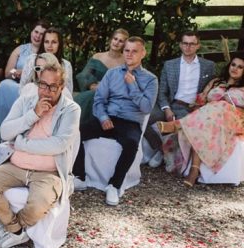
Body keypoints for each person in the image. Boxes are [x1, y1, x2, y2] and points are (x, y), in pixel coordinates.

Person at [0, 56, 80, 248]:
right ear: (37, 82)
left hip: (48, 173)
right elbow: (5, 132)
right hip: (16, 166)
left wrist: (22, 144)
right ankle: (16, 230)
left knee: (38, 205)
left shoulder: (71, 110)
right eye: (43, 85)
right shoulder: (25, 102)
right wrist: (33, 114)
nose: (47, 91)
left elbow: (58, 144)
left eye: (53, 86)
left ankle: (15, 229)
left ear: (61, 86)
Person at [72, 36, 158, 206]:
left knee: (131, 143)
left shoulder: (150, 79)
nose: (129, 54)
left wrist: (133, 86)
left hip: (130, 122)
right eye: (127, 50)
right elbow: (99, 100)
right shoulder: (112, 74)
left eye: (134, 51)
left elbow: (147, 107)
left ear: (143, 53)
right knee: (76, 133)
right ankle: (80, 176)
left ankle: (114, 185)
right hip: (108, 119)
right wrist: (103, 117)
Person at [157, 54, 244, 187]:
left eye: (240, 67)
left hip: (234, 120)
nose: (235, 69)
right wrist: (198, 112)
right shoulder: (216, 82)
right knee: (206, 122)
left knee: (220, 105)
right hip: (210, 120)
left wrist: (226, 102)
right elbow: (201, 101)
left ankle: (177, 125)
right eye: (233, 65)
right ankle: (194, 170)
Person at [143, 30, 217, 165]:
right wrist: (166, 109)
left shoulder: (208, 66)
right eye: (185, 43)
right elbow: (162, 91)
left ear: (198, 45)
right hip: (171, 104)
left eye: (192, 44)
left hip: (192, 108)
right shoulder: (170, 65)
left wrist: (200, 107)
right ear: (180, 45)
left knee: (184, 130)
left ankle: (170, 154)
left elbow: (210, 90)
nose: (188, 47)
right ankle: (159, 149)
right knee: (145, 117)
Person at [0, 19, 48, 128]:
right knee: (5, 84)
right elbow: (8, 72)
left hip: (34, 87)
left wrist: (26, 72)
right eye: (36, 32)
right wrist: (15, 73)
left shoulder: (46, 53)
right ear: (31, 32)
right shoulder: (20, 49)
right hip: (17, 84)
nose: (38, 36)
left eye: (42, 34)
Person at [73, 28, 129, 126]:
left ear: (124, 44)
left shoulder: (126, 62)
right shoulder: (98, 57)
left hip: (112, 97)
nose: (116, 42)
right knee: (89, 97)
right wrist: (91, 85)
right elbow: (84, 75)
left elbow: (126, 84)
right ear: (111, 40)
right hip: (92, 91)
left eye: (121, 41)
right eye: (115, 39)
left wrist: (105, 89)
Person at [17, 28, 73, 96]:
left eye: (54, 42)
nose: (50, 45)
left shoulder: (66, 65)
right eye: (46, 41)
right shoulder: (32, 60)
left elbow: (68, 93)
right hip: (32, 99)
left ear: (59, 44)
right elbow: (22, 88)